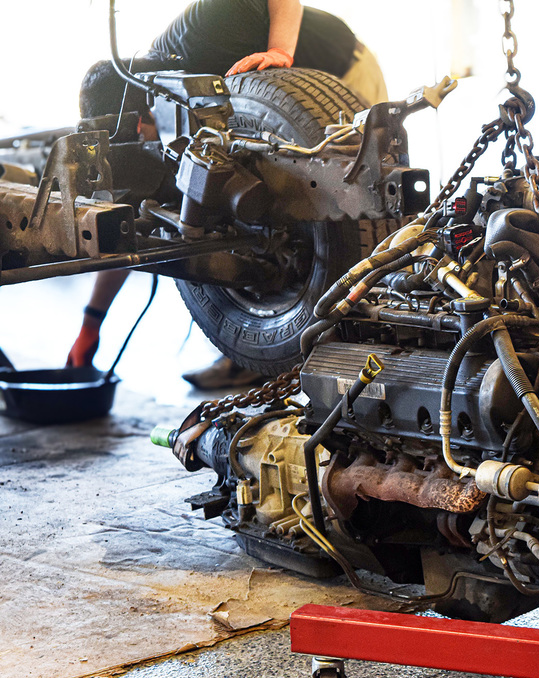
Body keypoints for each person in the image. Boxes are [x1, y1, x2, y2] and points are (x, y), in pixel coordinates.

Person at [66, 0, 387, 389]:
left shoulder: (203, 27)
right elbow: (125, 222)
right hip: (285, 88)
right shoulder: (169, 93)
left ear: (137, 117)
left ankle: (365, 333)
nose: (142, 144)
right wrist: (90, 324)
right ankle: (250, 356)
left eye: (135, 139)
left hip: (340, 70)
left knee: (359, 207)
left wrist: (281, 48)